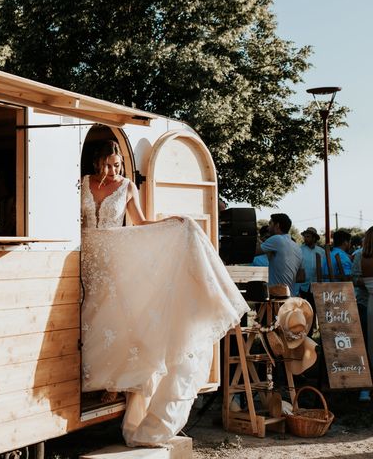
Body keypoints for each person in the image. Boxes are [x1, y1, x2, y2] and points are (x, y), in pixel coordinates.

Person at [80, 140, 249, 447]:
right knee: (88, 315)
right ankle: (89, 378)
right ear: (96, 163)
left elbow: (142, 222)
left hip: (114, 256)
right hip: (85, 254)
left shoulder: (128, 186)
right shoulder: (82, 185)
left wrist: (172, 222)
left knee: (113, 318)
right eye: (108, 165)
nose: (113, 170)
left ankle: (115, 383)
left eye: (117, 165)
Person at [255, 213, 304, 292]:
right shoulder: (297, 247)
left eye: (270, 223)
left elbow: (253, 252)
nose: (268, 228)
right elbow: (301, 277)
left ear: (277, 225)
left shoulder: (277, 239)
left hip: (277, 297)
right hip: (290, 296)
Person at [353, 226, 373, 401]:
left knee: (368, 345)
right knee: (367, 343)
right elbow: (355, 278)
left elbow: (357, 279)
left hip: (369, 302)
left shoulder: (361, 256)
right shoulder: (360, 255)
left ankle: (365, 388)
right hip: (365, 302)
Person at [297, 227, 323, 298]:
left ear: (314, 238)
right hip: (302, 286)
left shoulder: (321, 251)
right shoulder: (299, 250)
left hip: (317, 285)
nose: (305, 238)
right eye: (304, 236)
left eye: (308, 236)